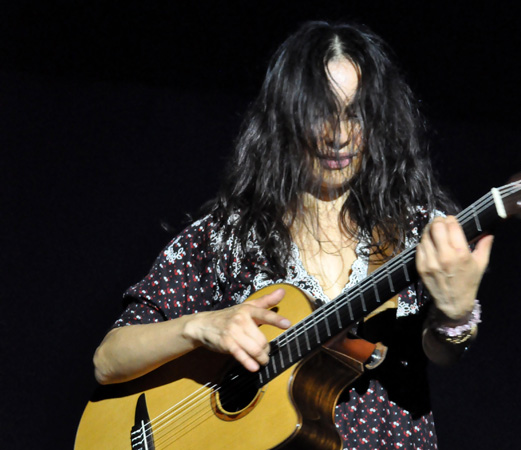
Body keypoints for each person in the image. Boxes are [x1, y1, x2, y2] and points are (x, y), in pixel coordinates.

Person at [93, 21, 493, 449]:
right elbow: (109, 359)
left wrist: (455, 314)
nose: (338, 137)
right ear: (284, 119)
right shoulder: (227, 238)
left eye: (355, 114)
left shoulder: (421, 232)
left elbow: (441, 351)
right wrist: (199, 326)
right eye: (320, 112)